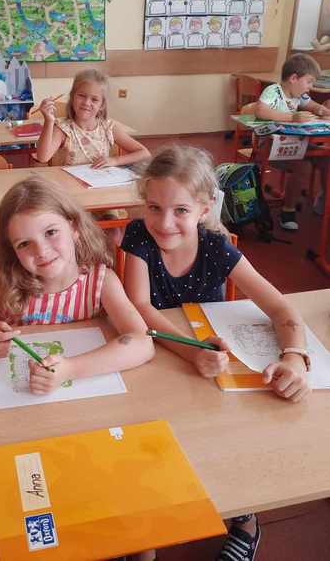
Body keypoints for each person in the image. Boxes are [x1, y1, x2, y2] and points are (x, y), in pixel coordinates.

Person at [121, 144, 311, 561]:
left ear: (205, 208)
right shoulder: (138, 236)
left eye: (181, 210)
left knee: (226, 440)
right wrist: (192, 353)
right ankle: (145, 533)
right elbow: (140, 307)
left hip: (213, 371)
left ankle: (245, 520)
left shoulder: (216, 247)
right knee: (146, 441)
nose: (164, 223)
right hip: (169, 359)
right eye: (154, 208)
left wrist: (295, 357)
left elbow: (282, 309)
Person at [0, 176, 154, 394]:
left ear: (74, 228)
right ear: (12, 250)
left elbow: (143, 343)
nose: (41, 251)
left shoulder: (101, 282)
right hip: (18, 390)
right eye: (24, 244)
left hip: (79, 389)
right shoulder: (6, 279)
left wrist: (70, 369)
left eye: (51, 232)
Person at [255, 53, 330, 230]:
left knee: (326, 159)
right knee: (303, 166)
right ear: (294, 78)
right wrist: (292, 117)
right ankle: (287, 210)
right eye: (309, 82)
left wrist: (321, 109)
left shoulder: (299, 96)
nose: (310, 88)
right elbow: (260, 111)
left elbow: (311, 105)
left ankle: (324, 202)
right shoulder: (274, 91)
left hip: (295, 142)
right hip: (270, 145)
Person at [35, 69, 150, 168]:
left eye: (94, 99)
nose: (86, 103)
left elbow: (144, 153)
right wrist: (49, 121)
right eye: (81, 96)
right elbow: (42, 157)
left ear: (102, 105)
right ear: (72, 97)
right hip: (69, 184)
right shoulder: (63, 129)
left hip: (100, 184)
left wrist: (115, 160)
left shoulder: (108, 128)